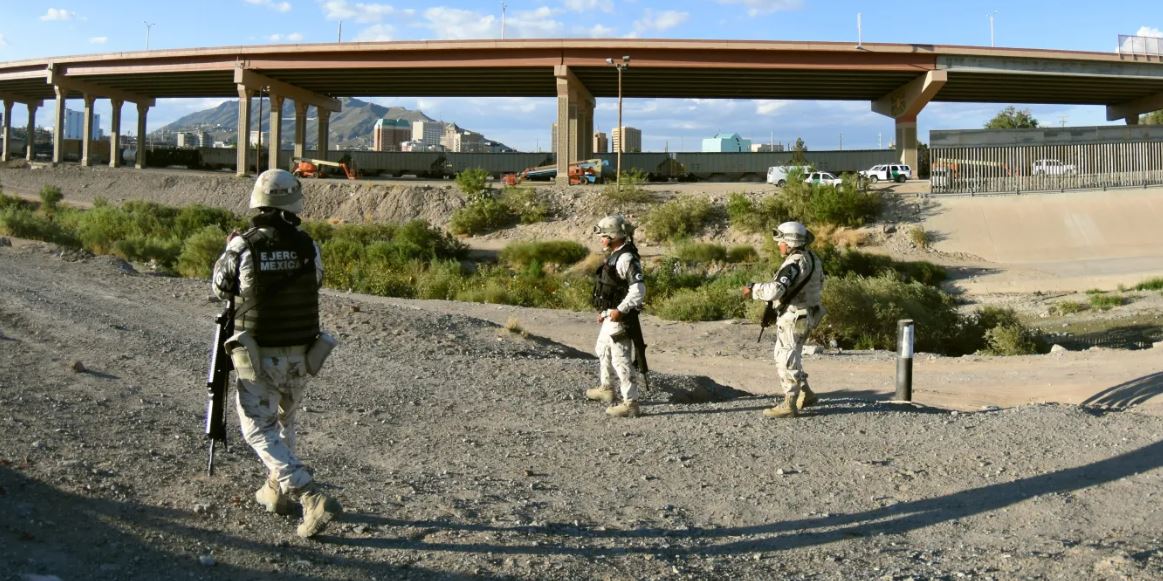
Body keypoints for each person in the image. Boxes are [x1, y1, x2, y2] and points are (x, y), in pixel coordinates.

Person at [211, 168, 341, 538]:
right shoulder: (307, 244)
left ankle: (309, 494)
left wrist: (230, 247)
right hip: (303, 353)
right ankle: (277, 492)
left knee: (257, 429)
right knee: (286, 423)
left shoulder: (243, 245)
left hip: (260, 353)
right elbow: (316, 281)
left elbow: (221, 287)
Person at [742, 221, 825, 418]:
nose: (778, 245)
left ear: (789, 242)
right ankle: (806, 393)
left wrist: (753, 289)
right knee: (793, 354)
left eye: (780, 241)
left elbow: (777, 289)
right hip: (808, 313)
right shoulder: (812, 257)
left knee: (784, 357)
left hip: (795, 316)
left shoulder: (794, 263)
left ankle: (789, 403)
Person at [586, 214, 647, 418]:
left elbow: (638, 290)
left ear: (613, 236)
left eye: (603, 235)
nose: (601, 239)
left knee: (621, 360)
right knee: (602, 349)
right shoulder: (616, 255)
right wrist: (606, 313)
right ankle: (607, 389)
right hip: (611, 316)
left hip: (621, 318)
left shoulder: (627, 258)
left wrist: (620, 309)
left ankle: (630, 403)